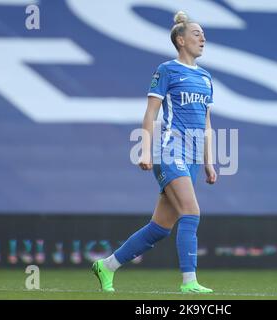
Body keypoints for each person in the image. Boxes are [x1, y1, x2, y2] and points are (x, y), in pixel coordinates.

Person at [92, 11, 217, 294]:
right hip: (171, 151)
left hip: (194, 157)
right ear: (180, 40)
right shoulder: (167, 70)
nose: (203, 39)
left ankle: (107, 266)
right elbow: (150, 114)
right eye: (197, 34)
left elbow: (207, 123)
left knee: (160, 228)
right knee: (192, 211)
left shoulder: (207, 78)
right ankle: (189, 282)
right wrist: (146, 151)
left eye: (203, 35)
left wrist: (209, 161)